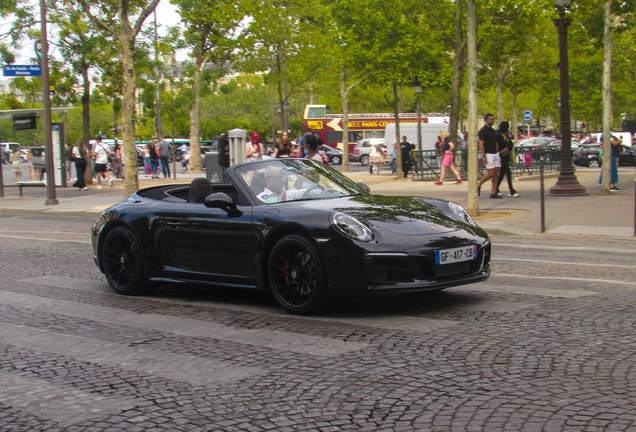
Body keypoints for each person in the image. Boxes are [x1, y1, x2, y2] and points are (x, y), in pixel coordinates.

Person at [477, 113, 502, 199]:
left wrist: (497, 150)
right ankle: (479, 184)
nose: (493, 121)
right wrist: (484, 155)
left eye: (493, 119)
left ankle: (493, 192)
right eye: (491, 119)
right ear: (486, 120)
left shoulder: (493, 130)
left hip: (495, 153)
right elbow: (481, 143)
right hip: (488, 153)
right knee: (491, 173)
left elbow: (495, 141)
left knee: (496, 173)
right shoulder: (483, 131)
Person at [495, 121, 519, 197]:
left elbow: (510, 145)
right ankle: (511, 190)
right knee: (508, 172)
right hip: (501, 156)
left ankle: (496, 188)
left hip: (506, 156)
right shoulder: (498, 136)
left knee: (502, 174)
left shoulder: (507, 136)